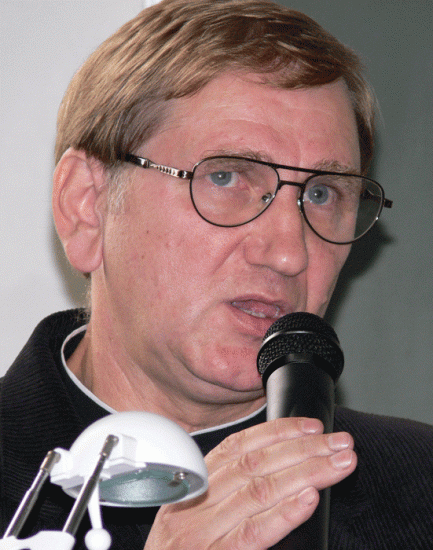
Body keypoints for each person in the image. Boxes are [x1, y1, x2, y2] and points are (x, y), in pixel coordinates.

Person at [1, 0, 432, 548]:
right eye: (226, 177)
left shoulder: (420, 491)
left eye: (323, 194)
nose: (289, 254)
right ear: (86, 205)